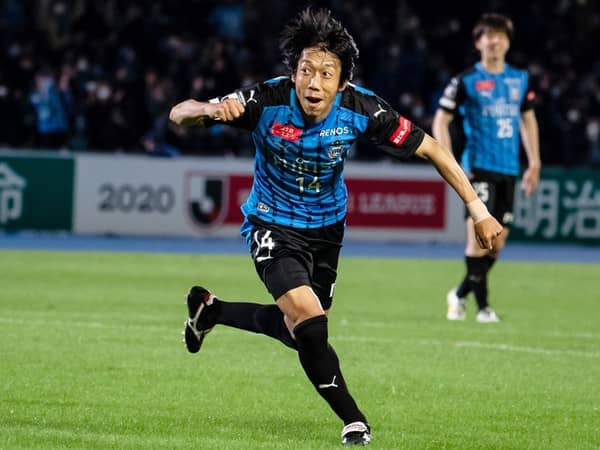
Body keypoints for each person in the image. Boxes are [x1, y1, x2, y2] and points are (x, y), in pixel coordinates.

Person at [170, 7, 502, 446]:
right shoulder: (264, 100)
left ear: (342, 82)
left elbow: (433, 149)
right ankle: (354, 420)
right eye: (306, 70)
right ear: (293, 73)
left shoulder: (361, 108)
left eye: (327, 73)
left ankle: (212, 310)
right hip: (272, 223)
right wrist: (209, 109)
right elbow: (179, 114)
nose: (314, 82)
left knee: (302, 332)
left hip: (327, 231)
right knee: (310, 323)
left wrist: (478, 210)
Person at [432, 13, 541, 323]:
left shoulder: (520, 79)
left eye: (500, 36)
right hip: (477, 169)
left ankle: (459, 294)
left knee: (498, 243)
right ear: (478, 42)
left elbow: (528, 119)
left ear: (508, 42)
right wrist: (449, 159)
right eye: (488, 36)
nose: (494, 41)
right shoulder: (465, 80)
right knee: (480, 239)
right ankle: (483, 308)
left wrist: (534, 162)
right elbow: (441, 120)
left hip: (509, 170)